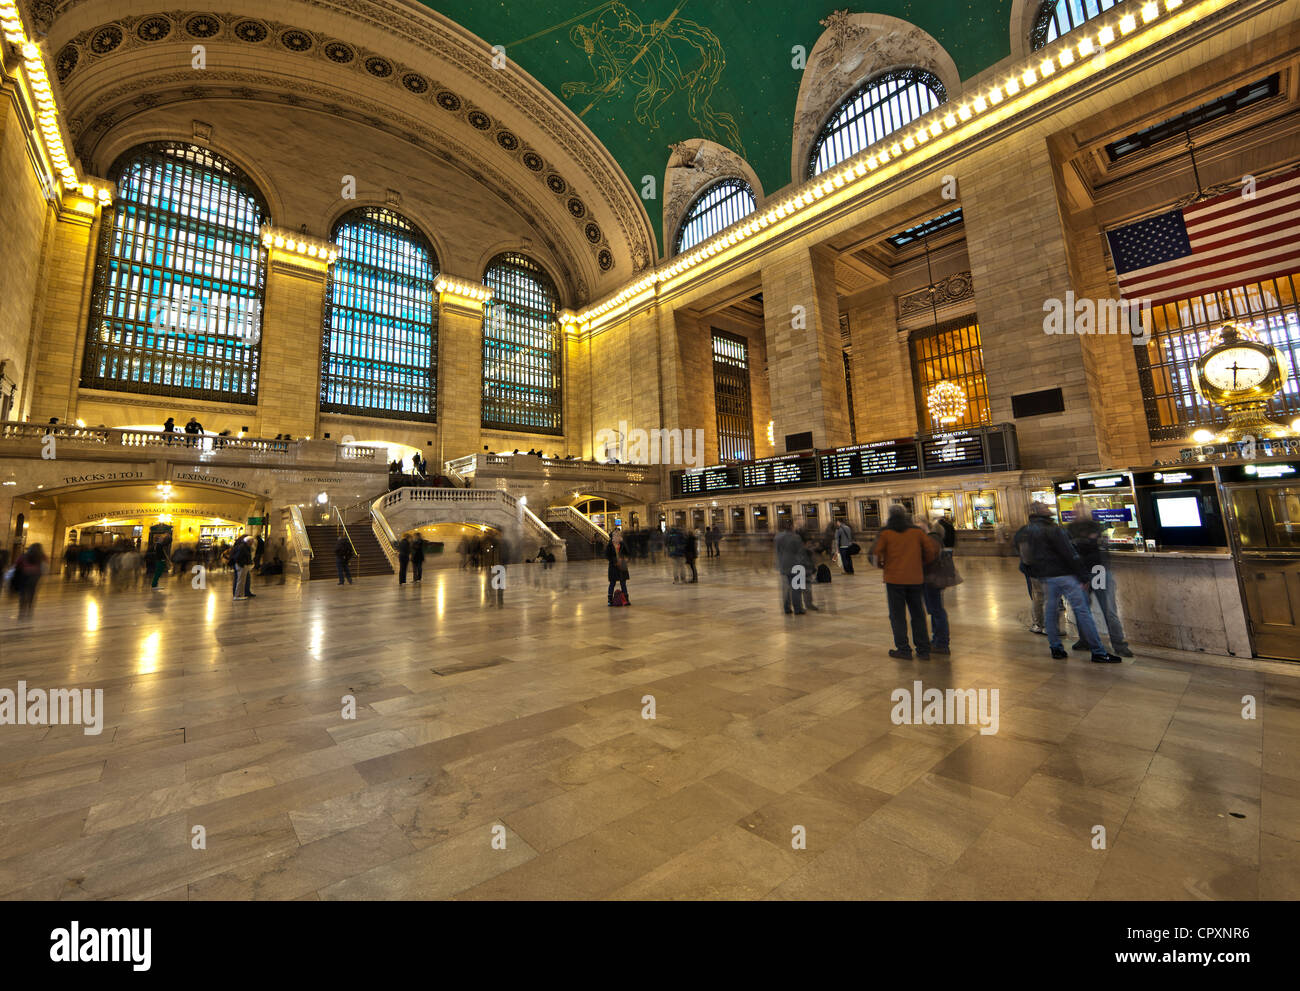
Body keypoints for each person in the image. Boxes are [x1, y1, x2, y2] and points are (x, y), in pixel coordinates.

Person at [1019, 502, 1121, 664]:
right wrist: (1082, 576)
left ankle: (1056, 648)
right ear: (1041, 511)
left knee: (1051, 612)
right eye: (1045, 506)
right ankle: (1098, 651)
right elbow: (1069, 553)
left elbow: (1024, 556)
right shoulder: (1054, 529)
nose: (1048, 507)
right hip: (1064, 575)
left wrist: (1035, 572)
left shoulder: (1026, 531)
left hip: (1046, 577)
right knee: (1082, 611)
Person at [869, 504, 939, 659]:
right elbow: (930, 551)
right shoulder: (917, 532)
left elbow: (876, 554)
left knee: (897, 615)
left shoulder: (886, 533)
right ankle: (923, 649)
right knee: (918, 614)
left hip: (894, 580)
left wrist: (882, 566)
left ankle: (903, 649)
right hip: (915, 578)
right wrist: (921, 565)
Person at [1067, 504, 1133, 657]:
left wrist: (1081, 543)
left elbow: (1091, 547)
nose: (1077, 512)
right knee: (1083, 609)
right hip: (1087, 572)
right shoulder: (1075, 528)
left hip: (1097, 571)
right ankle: (1087, 640)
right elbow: (1077, 548)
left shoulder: (1093, 526)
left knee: (1107, 609)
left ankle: (1118, 644)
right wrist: (1087, 542)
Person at [921, 518, 952, 656]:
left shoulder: (932, 540)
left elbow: (928, 560)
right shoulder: (936, 539)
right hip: (933, 579)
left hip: (931, 579)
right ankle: (938, 640)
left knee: (936, 610)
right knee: (935, 610)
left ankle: (941, 642)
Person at [774, 517, 805, 615]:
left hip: (783, 565)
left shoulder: (777, 537)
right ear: (792, 526)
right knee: (796, 588)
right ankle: (798, 608)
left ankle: (786, 608)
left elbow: (777, 551)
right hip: (795, 565)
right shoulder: (796, 537)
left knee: (785, 588)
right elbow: (800, 553)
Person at [13, 544, 46, 619]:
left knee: (23, 592)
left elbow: (17, 564)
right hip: (35, 576)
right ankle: (30, 609)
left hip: (24, 576)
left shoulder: (23, 556)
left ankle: (22, 610)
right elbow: (45, 566)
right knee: (32, 592)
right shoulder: (41, 556)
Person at [606, 528, 630, 605]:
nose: (617, 537)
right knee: (612, 583)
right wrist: (615, 561)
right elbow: (607, 556)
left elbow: (627, 553)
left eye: (619, 535)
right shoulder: (609, 545)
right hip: (613, 566)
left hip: (622, 565)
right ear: (613, 537)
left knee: (623, 583)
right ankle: (610, 600)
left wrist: (625, 559)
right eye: (616, 536)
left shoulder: (622, 544)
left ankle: (626, 599)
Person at [232, 534, 255, 600]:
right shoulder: (242, 547)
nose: (252, 543)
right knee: (240, 581)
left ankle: (241, 594)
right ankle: (238, 595)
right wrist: (242, 564)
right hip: (241, 566)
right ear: (248, 541)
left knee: (242, 580)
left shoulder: (244, 546)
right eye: (251, 541)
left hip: (243, 565)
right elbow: (238, 557)